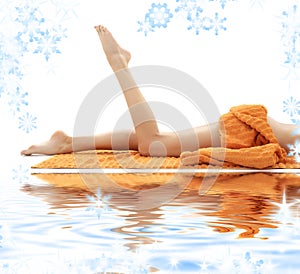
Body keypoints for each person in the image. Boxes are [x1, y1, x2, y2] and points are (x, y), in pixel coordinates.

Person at [21, 25, 296, 158]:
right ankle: (119, 64)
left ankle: (67, 142)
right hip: (249, 132)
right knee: (153, 143)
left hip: (254, 132)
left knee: (148, 140)